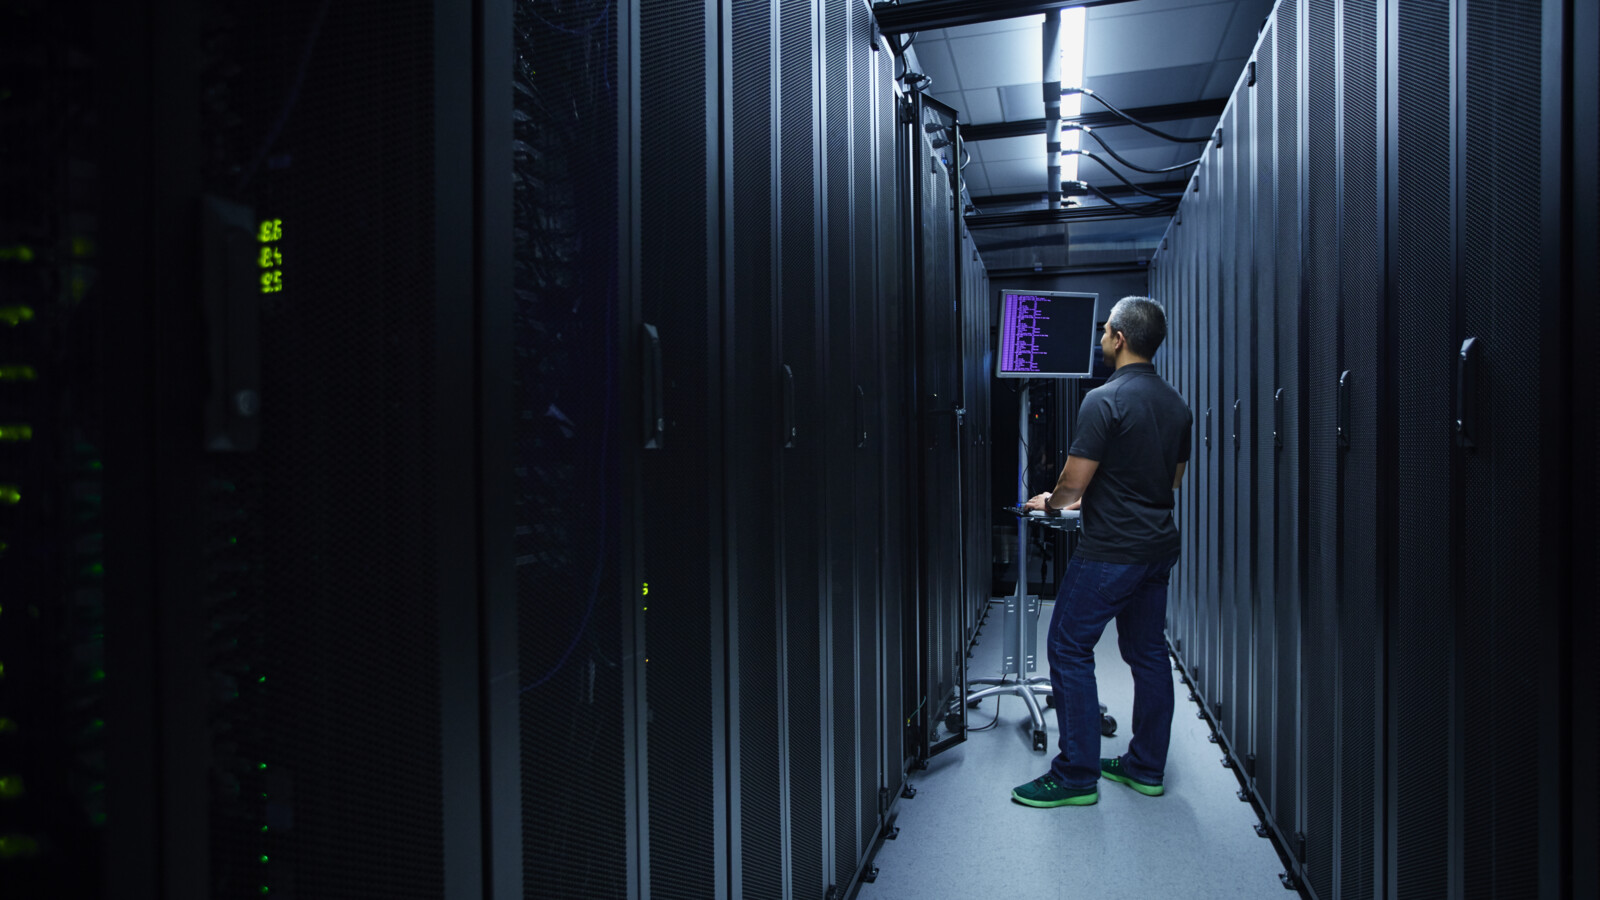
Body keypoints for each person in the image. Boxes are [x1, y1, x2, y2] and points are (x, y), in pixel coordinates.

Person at [1010, 296, 1192, 808]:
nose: (1101, 337)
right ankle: (1145, 767)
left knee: (1068, 646)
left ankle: (1075, 776)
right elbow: (1169, 481)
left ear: (1119, 338)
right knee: (1149, 654)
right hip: (1157, 548)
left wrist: (1053, 499)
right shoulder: (1176, 404)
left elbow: (1071, 483)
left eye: (1105, 329)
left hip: (1112, 549)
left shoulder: (1102, 399)